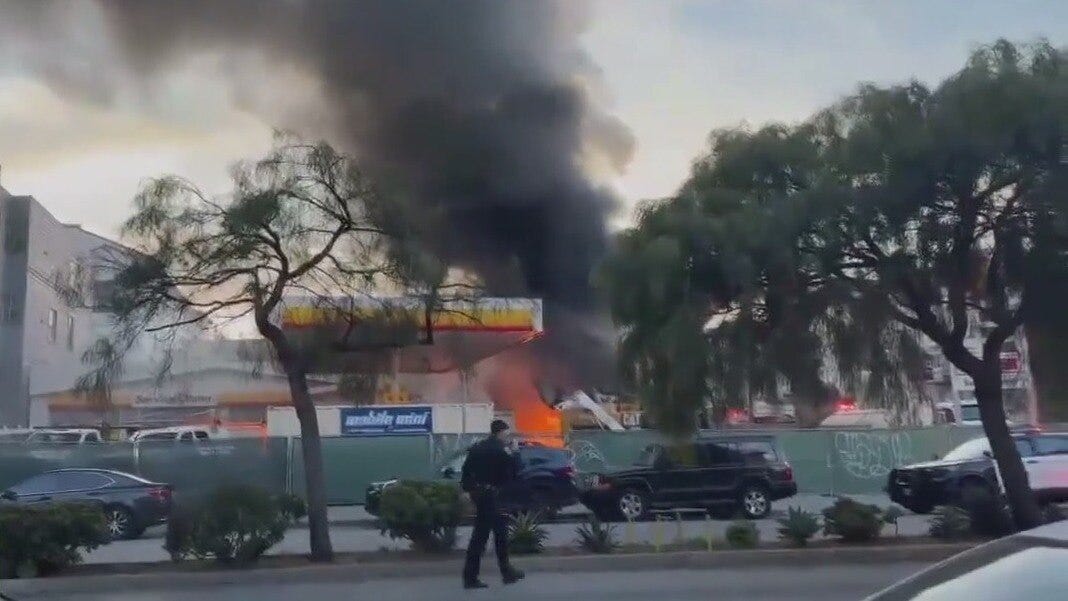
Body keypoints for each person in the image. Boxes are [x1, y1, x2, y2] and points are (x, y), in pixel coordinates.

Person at [460, 419, 525, 589]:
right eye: (507, 433)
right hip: (494, 497)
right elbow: (516, 470)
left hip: (480, 495)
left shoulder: (477, 448)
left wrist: (470, 491)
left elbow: (465, 472)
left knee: (498, 533)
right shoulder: (502, 450)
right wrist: (516, 452)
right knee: (484, 537)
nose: (508, 436)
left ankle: (506, 572)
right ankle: (472, 577)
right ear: (501, 432)